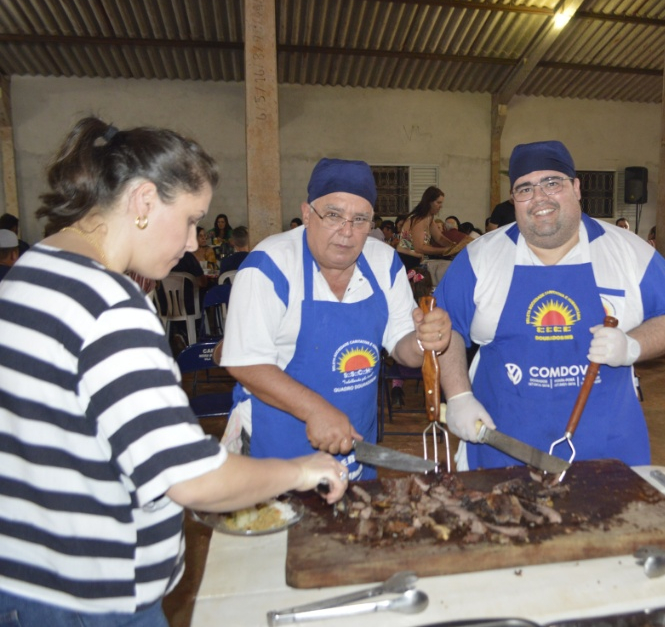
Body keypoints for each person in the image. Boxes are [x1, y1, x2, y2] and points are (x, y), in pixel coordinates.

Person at [0, 117, 347, 626]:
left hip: (26, 578)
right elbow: (190, 479)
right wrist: (301, 470)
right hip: (95, 598)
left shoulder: (32, 270)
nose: (191, 242)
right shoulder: (111, 306)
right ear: (143, 202)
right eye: (189, 220)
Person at [434, 140, 665, 470]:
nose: (540, 197)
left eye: (552, 183)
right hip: (502, 446)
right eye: (525, 188)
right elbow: (446, 328)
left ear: (576, 187)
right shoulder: (479, 258)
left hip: (606, 448)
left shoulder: (629, 252)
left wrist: (632, 346)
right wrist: (458, 396)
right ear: (513, 199)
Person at [219, 158, 451, 480]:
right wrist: (315, 410)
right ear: (306, 214)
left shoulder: (383, 262)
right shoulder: (269, 265)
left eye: (360, 220)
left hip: (355, 447)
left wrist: (425, 338)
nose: (347, 232)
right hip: (274, 451)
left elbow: (403, 349)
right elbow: (244, 362)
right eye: (333, 215)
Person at [408, 186, 456, 258]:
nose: (441, 206)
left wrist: (453, 246)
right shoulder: (418, 219)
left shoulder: (429, 218)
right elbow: (419, 247)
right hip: (408, 259)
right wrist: (444, 250)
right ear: (429, 202)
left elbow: (439, 238)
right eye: (438, 202)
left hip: (417, 259)